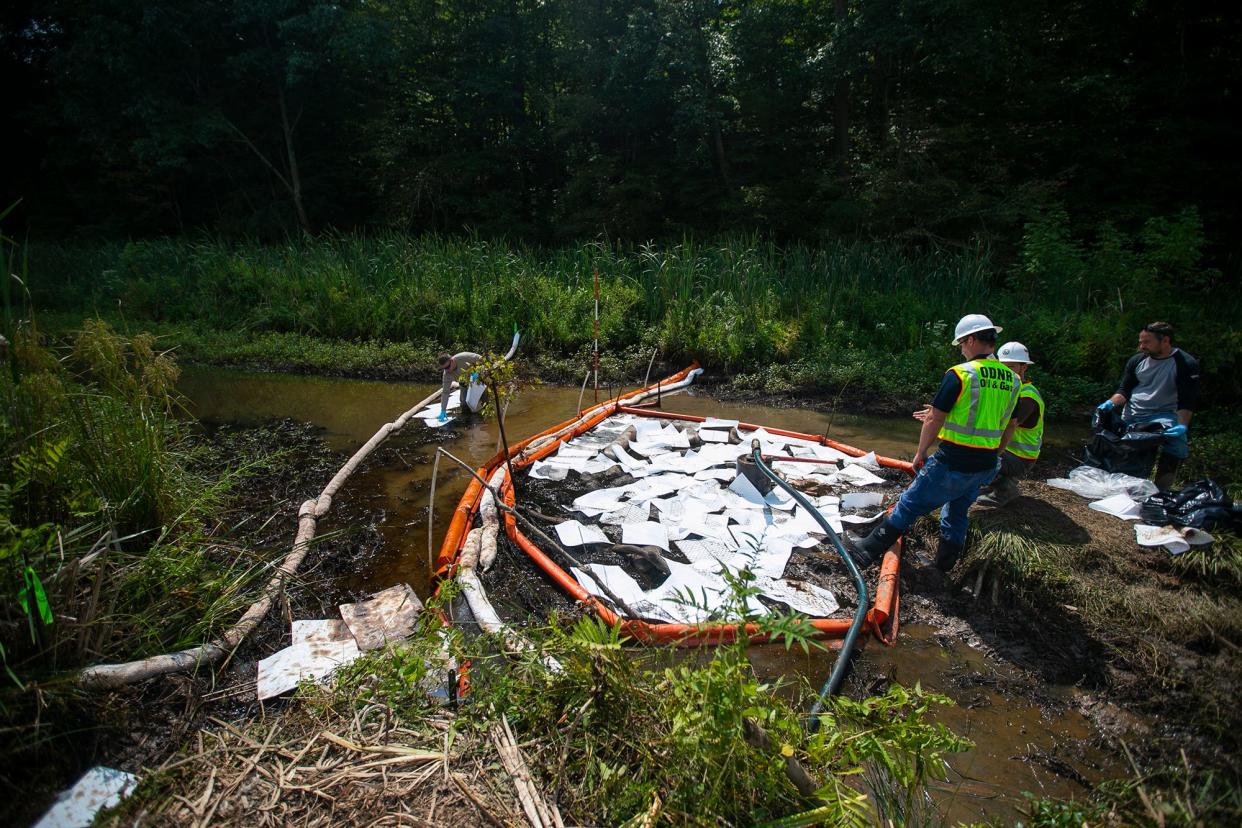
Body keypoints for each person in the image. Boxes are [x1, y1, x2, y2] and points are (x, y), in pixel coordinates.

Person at [849, 314, 1021, 572]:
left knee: (909, 503)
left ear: (972, 340)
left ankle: (866, 550)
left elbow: (935, 417)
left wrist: (921, 452)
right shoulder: (1013, 380)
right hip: (985, 462)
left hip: (954, 460)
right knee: (957, 511)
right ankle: (943, 566)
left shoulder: (961, 374)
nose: (961, 349)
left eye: (962, 343)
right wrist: (996, 455)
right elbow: (1009, 424)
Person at [1096, 322, 1199, 491]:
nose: (1141, 346)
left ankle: (1160, 491)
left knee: (1176, 447)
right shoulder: (1137, 360)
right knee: (1128, 453)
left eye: (1146, 342)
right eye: (1141, 341)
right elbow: (1124, 390)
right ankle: (1127, 487)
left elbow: (1186, 400)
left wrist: (1182, 425)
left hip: (1165, 414)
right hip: (1133, 413)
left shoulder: (1185, 363)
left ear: (1165, 341)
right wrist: (1109, 403)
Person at [975, 341, 1044, 507]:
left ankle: (1005, 488)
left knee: (975, 453)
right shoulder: (1010, 390)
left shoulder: (1028, 396)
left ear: (1024, 367)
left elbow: (1006, 424)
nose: (1007, 372)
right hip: (1008, 452)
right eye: (1003, 367)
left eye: (1011, 367)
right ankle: (996, 481)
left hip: (1020, 458)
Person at [436, 351, 484, 422]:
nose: (447, 370)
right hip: (463, 383)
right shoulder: (446, 374)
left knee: (483, 399)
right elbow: (445, 392)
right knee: (464, 403)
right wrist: (443, 410)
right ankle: (467, 421)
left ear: (452, 360)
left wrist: (479, 372)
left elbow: (482, 360)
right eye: (444, 368)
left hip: (478, 379)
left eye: (448, 367)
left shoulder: (463, 357)